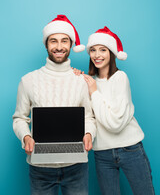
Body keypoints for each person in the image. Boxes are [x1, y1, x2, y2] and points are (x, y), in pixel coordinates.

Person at [13, 14, 96, 195]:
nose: (59, 47)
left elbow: (89, 116)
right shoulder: (28, 80)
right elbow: (20, 118)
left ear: (71, 44)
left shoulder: (80, 80)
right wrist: (26, 137)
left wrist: (89, 133)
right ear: (46, 44)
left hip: (76, 167)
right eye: (53, 41)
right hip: (40, 168)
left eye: (64, 41)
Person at [74, 26, 155, 195]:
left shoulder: (120, 78)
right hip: (102, 153)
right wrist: (73, 78)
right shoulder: (89, 82)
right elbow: (83, 115)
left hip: (129, 149)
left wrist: (94, 92)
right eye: (93, 50)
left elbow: (115, 123)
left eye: (103, 50)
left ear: (111, 53)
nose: (97, 55)